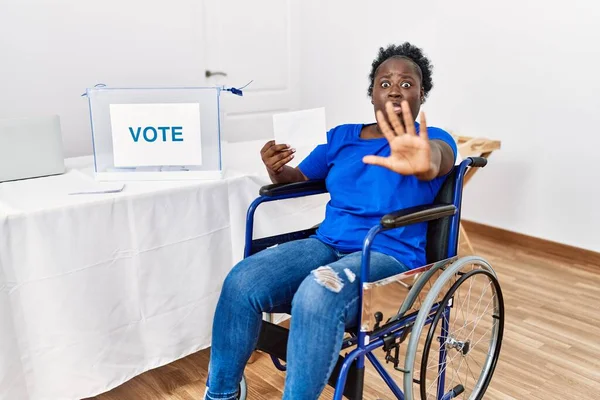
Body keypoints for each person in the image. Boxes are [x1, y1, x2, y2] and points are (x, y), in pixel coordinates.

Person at [205, 42, 457, 400]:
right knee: (242, 281)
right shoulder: (341, 137)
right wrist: (276, 168)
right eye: (385, 83)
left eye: (407, 83)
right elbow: (298, 178)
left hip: (386, 256)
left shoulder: (432, 138)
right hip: (326, 244)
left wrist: (421, 156)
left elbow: (438, 161)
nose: (395, 90)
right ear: (371, 92)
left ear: (421, 94)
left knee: (317, 292)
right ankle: (221, 393)